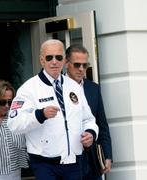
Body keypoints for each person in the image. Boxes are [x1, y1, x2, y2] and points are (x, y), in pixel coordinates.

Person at [7, 39, 99, 180]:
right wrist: (40, 115)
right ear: (42, 60)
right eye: (49, 57)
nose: (54, 61)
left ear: (64, 61)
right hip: (45, 163)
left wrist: (90, 133)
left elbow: (88, 119)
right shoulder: (29, 88)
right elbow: (14, 124)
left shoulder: (74, 86)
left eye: (59, 57)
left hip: (73, 161)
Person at [65, 44, 112, 180]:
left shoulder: (93, 88)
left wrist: (107, 155)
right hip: (68, 159)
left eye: (85, 65)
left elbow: (102, 123)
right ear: (67, 63)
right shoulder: (57, 87)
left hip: (92, 158)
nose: (81, 69)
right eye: (77, 65)